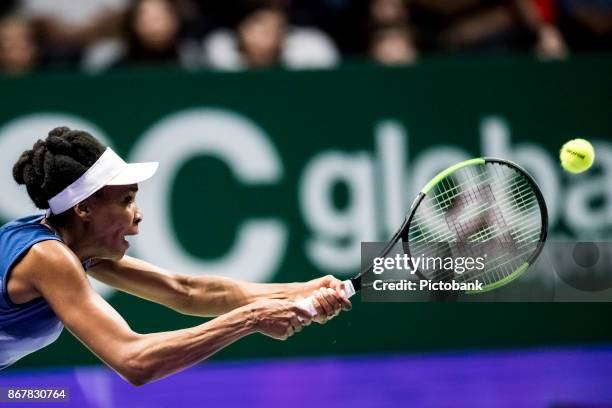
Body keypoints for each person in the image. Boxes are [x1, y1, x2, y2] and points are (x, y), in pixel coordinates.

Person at [0, 126, 351, 385]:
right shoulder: (49, 258)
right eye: (126, 200)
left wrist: (300, 290)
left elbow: (186, 291)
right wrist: (252, 318)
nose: (137, 214)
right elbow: (133, 359)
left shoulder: (67, 240)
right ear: (85, 208)